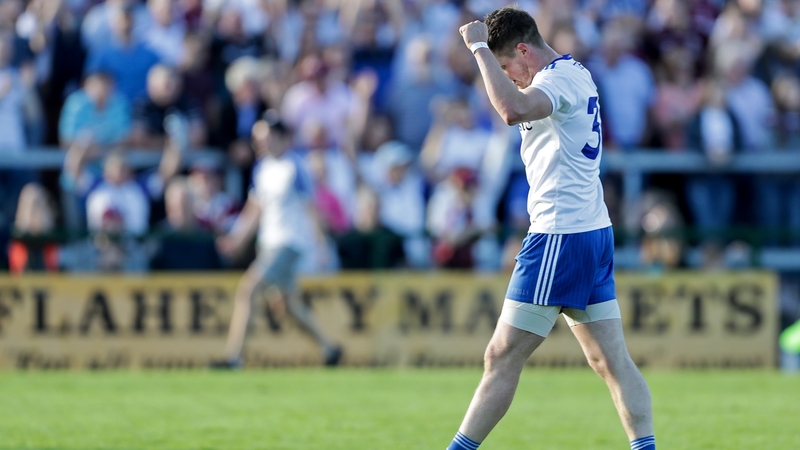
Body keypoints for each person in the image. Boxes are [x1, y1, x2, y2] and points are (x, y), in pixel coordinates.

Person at [446, 6, 655, 450]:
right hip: (592, 229)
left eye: (507, 67)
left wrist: (480, 48)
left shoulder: (554, 82)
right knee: (610, 361)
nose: (508, 76)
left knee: (501, 356)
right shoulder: (575, 72)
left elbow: (511, 109)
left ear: (523, 51)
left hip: (561, 236)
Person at [214, 113, 342, 368]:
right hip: (270, 243)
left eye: (266, 138)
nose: (260, 144)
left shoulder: (295, 167)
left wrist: (320, 245)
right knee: (287, 306)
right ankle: (329, 348)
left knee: (247, 289)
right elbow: (255, 209)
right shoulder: (262, 169)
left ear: (283, 138)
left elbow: (311, 207)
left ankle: (234, 357)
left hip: (289, 243)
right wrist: (237, 238)